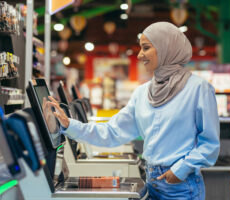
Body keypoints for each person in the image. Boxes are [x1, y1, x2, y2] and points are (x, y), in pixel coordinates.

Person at [47, 22, 220, 200]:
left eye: (146, 48)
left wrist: (180, 170)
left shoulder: (198, 89)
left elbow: (210, 144)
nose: (139, 55)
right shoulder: (142, 93)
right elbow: (112, 131)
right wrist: (69, 125)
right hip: (151, 180)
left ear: (166, 47)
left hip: (181, 186)